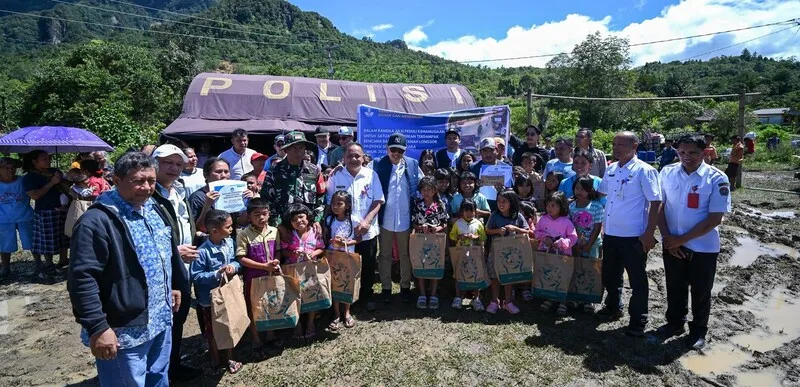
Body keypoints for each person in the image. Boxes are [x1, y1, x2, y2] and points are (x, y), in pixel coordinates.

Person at [68, 152, 186, 387]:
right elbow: (82, 278)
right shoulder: (97, 221)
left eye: (151, 181)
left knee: (158, 380)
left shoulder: (153, 208)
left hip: (160, 320)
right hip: (124, 331)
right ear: (117, 180)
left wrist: (171, 286)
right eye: (138, 181)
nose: (146, 187)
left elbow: (164, 252)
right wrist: (98, 327)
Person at [657, 134, 731, 350]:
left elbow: (714, 219)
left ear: (704, 152)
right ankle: (674, 323)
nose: (686, 157)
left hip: (703, 247)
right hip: (671, 242)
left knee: (700, 291)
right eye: (682, 152)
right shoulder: (668, 172)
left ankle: (698, 330)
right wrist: (668, 239)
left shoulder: (717, 179)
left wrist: (680, 240)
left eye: (693, 153)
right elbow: (660, 205)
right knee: (674, 286)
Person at [597, 131, 662, 337]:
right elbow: (602, 194)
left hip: (634, 236)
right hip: (612, 233)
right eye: (614, 144)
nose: (616, 148)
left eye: (621, 145)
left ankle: (638, 319)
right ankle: (613, 306)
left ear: (635, 146)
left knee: (637, 280)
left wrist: (649, 234)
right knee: (611, 275)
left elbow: (656, 202)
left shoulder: (645, 171)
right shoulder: (612, 169)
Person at [149, 144, 201, 380]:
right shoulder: (149, 195)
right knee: (162, 320)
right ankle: (160, 371)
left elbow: (183, 226)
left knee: (178, 317)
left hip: (184, 266)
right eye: (167, 163)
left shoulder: (178, 191)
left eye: (178, 164)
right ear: (154, 165)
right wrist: (173, 251)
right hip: (163, 268)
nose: (173, 168)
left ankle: (173, 366)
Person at [326, 143, 384, 310]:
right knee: (345, 266)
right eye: (350, 156)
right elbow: (329, 203)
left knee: (367, 265)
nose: (353, 159)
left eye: (357, 156)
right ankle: (345, 299)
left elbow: (378, 200)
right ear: (344, 158)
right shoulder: (336, 176)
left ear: (363, 157)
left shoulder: (371, 175)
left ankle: (365, 296)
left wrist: (367, 221)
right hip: (344, 234)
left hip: (367, 231)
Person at [189, 210, 243, 375]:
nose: (232, 229)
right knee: (212, 331)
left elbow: (236, 260)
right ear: (214, 231)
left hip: (229, 294)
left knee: (229, 325)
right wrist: (216, 274)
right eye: (228, 227)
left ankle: (229, 357)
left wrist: (233, 267)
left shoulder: (229, 243)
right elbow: (196, 276)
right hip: (210, 299)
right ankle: (215, 360)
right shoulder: (202, 252)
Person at [374, 133, 423, 304]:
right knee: (385, 254)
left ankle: (404, 287)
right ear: (387, 149)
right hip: (385, 218)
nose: (396, 153)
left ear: (405, 151)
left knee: (405, 254)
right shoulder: (378, 164)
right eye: (393, 149)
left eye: (400, 150)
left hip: (405, 218)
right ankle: (386, 288)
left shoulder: (413, 164)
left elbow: (423, 185)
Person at [235, 198, 281, 355]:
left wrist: (277, 260)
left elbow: (279, 251)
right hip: (253, 278)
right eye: (257, 215)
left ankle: (270, 335)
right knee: (254, 307)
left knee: (271, 304)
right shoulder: (244, 235)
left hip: (272, 276)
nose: (261, 218)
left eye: (264, 214)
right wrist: (263, 266)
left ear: (269, 214)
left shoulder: (274, 231)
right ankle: (255, 339)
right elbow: (241, 258)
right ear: (249, 217)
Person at [261, 131, 325, 236]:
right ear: (286, 150)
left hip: (309, 228)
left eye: (301, 148)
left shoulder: (315, 171)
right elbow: (266, 201)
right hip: (282, 228)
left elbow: (321, 198)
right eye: (294, 148)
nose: (298, 152)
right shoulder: (274, 172)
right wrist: (278, 225)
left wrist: (317, 220)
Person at [280, 203, 325, 340]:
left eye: (301, 217)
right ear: (290, 223)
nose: (299, 221)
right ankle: (297, 324)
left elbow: (321, 247)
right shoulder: (289, 235)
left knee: (311, 294)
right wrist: (293, 253)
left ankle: (310, 322)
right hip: (293, 270)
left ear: (308, 217)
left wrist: (311, 254)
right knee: (294, 296)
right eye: (294, 220)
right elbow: (283, 251)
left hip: (310, 270)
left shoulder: (315, 232)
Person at [22, 150, 69, 276]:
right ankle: (49, 264)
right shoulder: (29, 177)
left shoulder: (54, 171)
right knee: (47, 240)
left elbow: (67, 186)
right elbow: (35, 196)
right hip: (45, 211)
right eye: (44, 159)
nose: (48, 161)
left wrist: (61, 180)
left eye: (48, 158)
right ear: (34, 161)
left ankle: (63, 259)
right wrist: (52, 182)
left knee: (63, 237)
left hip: (62, 208)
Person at [485, 190, 531, 315]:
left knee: (508, 276)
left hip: (512, 254)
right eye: (499, 201)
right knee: (494, 276)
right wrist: (497, 231)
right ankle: (494, 301)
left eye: (504, 201)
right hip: (496, 251)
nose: (501, 204)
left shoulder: (518, 216)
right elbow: (487, 230)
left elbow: (527, 231)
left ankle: (508, 302)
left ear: (511, 202)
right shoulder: (494, 215)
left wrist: (515, 228)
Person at [535, 192, 578, 316]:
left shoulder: (566, 222)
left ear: (561, 206)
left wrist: (563, 242)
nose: (550, 208)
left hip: (563, 255)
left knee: (563, 277)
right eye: (548, 205)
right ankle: (550, 298)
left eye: (553, 205)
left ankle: (563, 302)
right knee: (550, 275)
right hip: (547, 254)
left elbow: (573, 238)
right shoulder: (543, 219)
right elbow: (537, 232)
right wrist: (544, 237)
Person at [411, 176, 450, 310]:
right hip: (421, 239)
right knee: (421, 265)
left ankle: (433, 294)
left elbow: (445, 222)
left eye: (429, 189)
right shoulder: (417, 203)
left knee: (435, 265)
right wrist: (422, 228)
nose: (426, 192)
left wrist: (436, 228)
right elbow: (413, 223)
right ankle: (422, 294)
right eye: (423, 189)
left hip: (436, 239)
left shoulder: (440, 204)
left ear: (434, 190)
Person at [325, 190, 360, 330]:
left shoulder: (354, 219)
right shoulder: (329, 220)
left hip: (348, 257)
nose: (335, 206)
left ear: (347, 205)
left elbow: (358, 239)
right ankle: (336, 314)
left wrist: (345, 243)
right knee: (335, 284)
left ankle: (347, 312)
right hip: (333, 257)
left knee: (347, 284)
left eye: (339, 203)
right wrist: (333, 241)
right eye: (333, 203)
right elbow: (326, 238)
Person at [568, 177, 604, 313]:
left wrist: (589, 244)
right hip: (576, 244)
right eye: (577, 188)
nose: (579, 191)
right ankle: (576, 296)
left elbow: (597, 227)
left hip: (592, 245)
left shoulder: (596, 206)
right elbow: (570, 226)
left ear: (590, 190)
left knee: (591, 270)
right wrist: (575, 243)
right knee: (577, 268)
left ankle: (589, 299)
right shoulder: (571, 206)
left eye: (583, 189)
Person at [448, 199, 486, 311]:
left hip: (475, 253)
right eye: (466, 211)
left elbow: (484, 237)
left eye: (472, 211)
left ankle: (476, 297)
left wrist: (476, 237)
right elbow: (452, 236)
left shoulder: (478, 223)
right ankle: (458, 297)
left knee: (476, 273)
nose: (469, 214)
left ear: (475, 211)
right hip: (461, 252)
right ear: (462, 211)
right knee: (458, 273)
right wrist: (460, 237)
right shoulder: (458, 223)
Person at [0, 157, 34, 278]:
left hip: (25, 216)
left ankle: (39, 263)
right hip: (4, 219)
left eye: (13, 168)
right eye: (6, 168)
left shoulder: (22, 180)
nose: (10, 170)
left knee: (32, 241)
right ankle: (5, 267)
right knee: (4, 244)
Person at [471, 138, 512, 211]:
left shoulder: (506, 168)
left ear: (497, 151)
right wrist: (475, 186)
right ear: (480, 152)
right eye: (485, 151)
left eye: (491, 150)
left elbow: (511, 190)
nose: (488, 154)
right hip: (479, 207)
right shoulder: (473, 168)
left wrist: (503, 191)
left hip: (500, 208)